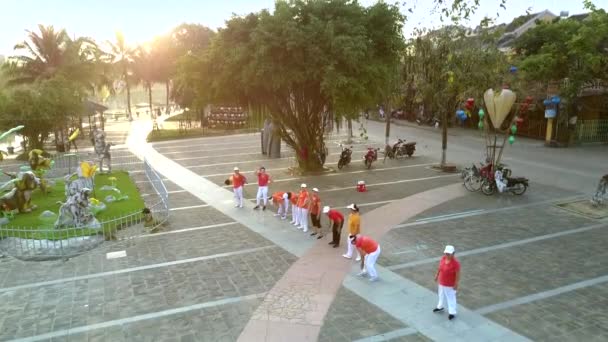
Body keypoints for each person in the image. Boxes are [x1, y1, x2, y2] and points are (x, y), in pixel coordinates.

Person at [433, 245, 460, 320]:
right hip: (441, 281)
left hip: (450, 284)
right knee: (440, 294)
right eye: (446, 253)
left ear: (453, 253)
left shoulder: (456, 263)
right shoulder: (443, 258)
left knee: (450, 297)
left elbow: (458, 275)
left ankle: (452, 312)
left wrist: (456, 284)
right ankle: (440, 307)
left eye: (449, 254)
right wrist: (437, 275)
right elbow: (440, 267)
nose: (447, 255)